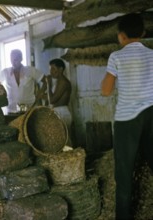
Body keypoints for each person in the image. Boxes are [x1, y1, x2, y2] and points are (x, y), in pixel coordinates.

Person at [101, 13, 153, 219]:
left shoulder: (117, 56)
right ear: (142, 33)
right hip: (152, 115)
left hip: (127, 120)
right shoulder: (152, 55)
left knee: (124, 175)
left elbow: (106, 91)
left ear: (121, 36)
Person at [0, 49, 44, 113]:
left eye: (16, 59)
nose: (13, 62)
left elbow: (46, 80)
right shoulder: (5, 72)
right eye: (12, 59)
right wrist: (2, 96)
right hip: (12, 110)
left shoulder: (30, 70)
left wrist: (39, 95)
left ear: (21, 58)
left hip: (29, 109)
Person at [37, 58, 72, 145]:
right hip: (56, 111)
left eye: (53, 69)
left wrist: (48, 84)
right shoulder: (57, 82)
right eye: (50, 69)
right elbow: (40, 95)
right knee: (59, 141)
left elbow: (52, 100)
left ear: (60, 69)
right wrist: (45, 85)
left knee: (65, 140)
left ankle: (72, 156)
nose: (51, 72)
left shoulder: (64, 82)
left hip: (62, 112)